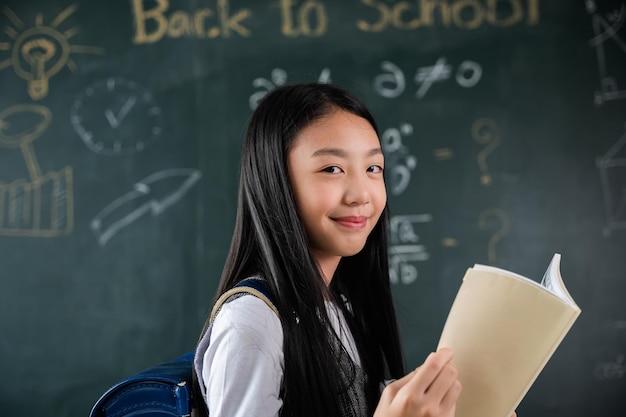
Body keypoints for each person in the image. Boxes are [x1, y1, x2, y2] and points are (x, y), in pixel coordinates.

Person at [192, 82, 462, 417]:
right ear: (275, 181)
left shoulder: (338, 305)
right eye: (332, 169)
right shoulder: (251, 321)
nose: (360, 195)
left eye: (372, 169)